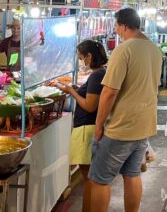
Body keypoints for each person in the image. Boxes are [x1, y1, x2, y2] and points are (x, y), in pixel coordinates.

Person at [89, 8, 163, 212]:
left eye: (116, 26)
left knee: (99, 180)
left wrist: (98, 127)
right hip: (144, 125)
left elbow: (109, 92)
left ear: (123, 25)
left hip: (121, 127)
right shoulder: (155, 50)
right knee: (132, 175)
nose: (116, 30)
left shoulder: (124, 49)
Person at [55, 40, 107, 212]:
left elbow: (90, 105)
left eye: (80, 57)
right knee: (92, 179)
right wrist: (77, 89)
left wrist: (71, 92)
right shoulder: (101, 73)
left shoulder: (96, 75)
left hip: (86, 130)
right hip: (89, 128)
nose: (80, 61)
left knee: (90, 180)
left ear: (89, 56)